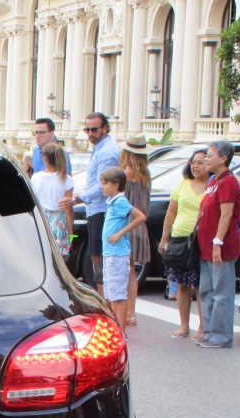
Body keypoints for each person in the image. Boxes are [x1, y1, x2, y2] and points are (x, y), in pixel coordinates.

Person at [195, 140, 240, 349]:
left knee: (221, 292)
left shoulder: (228, 182)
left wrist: (217, 241)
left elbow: (226, 215)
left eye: (210, 155)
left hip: (219, 246)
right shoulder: (214, 181)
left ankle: (221, 335)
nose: (206, 158)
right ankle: (209, 331)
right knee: (206, 290)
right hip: (205, 246)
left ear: (223, 159)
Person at [158, 150, 207, 339]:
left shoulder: (211, 185)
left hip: (200, 239)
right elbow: (171, 212)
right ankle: (184, 326)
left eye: (201, 162)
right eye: (193, 162)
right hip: (179, 238)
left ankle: (202, 326)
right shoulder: (183, 183)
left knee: (199, 285)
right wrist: (165, 237)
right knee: (182, 284)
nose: (196, 166)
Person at [69, 112, 120, 287]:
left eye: (94, 129)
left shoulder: (107, 152)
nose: (90, 133)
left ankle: (106, 302)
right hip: (96, 210)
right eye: (87, 129)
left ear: (105, 128)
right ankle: (104, 298)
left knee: (100, 259)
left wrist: (78, 199)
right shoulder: (100, 149)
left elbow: (102, 186)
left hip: (102, 211)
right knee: (96, 257)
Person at [98, 166, 146, 332]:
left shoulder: (120, 202)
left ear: (116, 184)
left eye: (105, 183)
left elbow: (140, 217)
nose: (102, 187)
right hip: (110, 253)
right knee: (111, 292)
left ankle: (121, 330)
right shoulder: (112, 202)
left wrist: (120, 233)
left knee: (118, 293)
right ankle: (115, 326)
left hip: (117, 254)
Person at [119, 134, 152, 327]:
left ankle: (128, 313)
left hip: (127, 225)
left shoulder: (127, 173)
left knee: (126, 271)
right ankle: (132, 311)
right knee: (132, 271)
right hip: (140, 227)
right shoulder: (145, 174)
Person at [30, 143, 73, 259]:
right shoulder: (67, 180)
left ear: (45, 158)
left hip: (41, 221)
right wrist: (71, 235)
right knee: (59, 260)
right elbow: (69, 209)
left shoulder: (36, 178)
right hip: (59, 223)